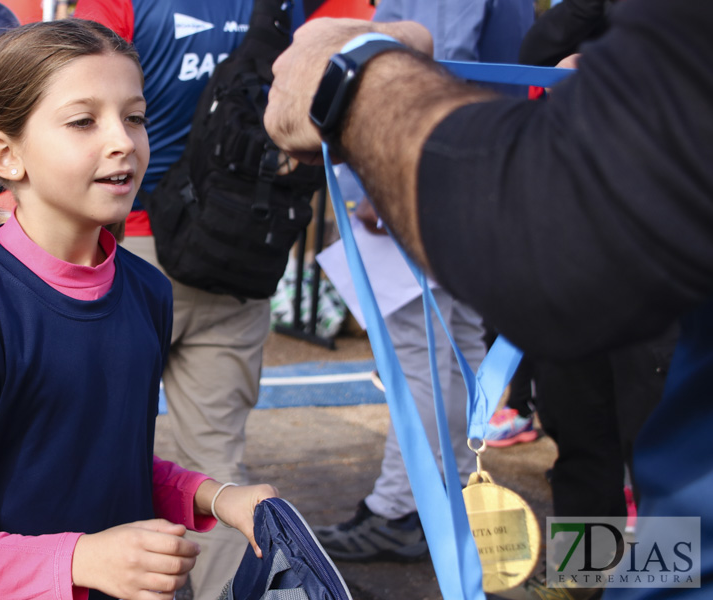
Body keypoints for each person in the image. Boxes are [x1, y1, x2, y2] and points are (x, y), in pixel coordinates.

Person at [264, 1, 713, 597]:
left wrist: (355, 83)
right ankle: (585, 581)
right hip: (579, 259)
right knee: (580, 442)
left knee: (649, 441)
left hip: (645, 271)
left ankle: (659, 580)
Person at [0, 19, 278, 600]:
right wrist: (82, 558)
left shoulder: (148, 292)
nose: (122, 140)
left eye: (135, 117)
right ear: (6, 154)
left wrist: (218, 497)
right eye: (83, 121)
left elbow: (105, 461)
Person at [312, 0, 532, 564]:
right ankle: (447, 492)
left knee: (422, 348)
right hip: (479, 166)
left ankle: (402, 507)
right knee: (452, 341)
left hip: (434, 173)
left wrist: (387, 176)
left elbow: (432, 66)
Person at [70, 2, 262, 598]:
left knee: (74, 453)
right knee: (219, 459)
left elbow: (73, 85)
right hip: (239, 246)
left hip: (136, 242)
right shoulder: (279, 6)